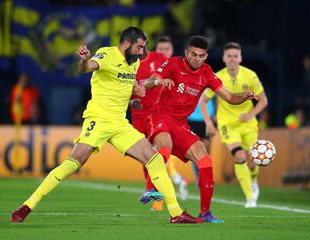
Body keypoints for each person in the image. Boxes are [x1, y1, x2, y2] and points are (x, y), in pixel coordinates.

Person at [10, 27, 201, 224]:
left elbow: (131, 86)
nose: (142, 52)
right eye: (139, 47)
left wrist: (146, 86)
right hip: (99, 120)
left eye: (144, 48)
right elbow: (87, 67)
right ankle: (27, 205)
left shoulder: (133, 63)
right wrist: (84, 60)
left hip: (119, 124)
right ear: (127, 44)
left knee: (155, 160)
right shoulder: (107, 54)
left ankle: (176, 213)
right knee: (72, 163)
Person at [141, 36, 255, 222]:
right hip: (160, 115)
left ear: (206, 56)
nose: (196, 58)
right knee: (165, 146)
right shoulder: (174, 63)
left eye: (201, 56)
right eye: (193, 54)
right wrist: (159, 82)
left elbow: (229, 97)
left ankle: (205, 212)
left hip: (180, 124)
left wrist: (244, 95)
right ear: (187, 53)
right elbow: (149, 81)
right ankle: (151, 189)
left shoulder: (207, 72)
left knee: (204, 159)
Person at [200, 42, 268, 208]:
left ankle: (253, 179)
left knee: (253, 161)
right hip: (227, 124)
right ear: (223, 58)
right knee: (239, 156)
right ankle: (250, 197)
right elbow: (204, 101)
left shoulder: (250, 76)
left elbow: (263, 100)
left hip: (248, 124)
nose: (232, 59)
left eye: (235, 56)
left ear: (240, 58)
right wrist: (209, 122)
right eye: (229, 56)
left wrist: (250, 114)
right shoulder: (218, 77)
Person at [129, 36, 188, 212]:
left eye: (140, 44)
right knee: (147, 156)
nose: (138, 48)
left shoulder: (160, 60)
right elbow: (125, 88)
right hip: (138, 115)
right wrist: (130, 102)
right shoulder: (128, 63)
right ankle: (156, 192)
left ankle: (157, 195)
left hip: (158, 113)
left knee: (160, 152)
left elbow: (172, 78)